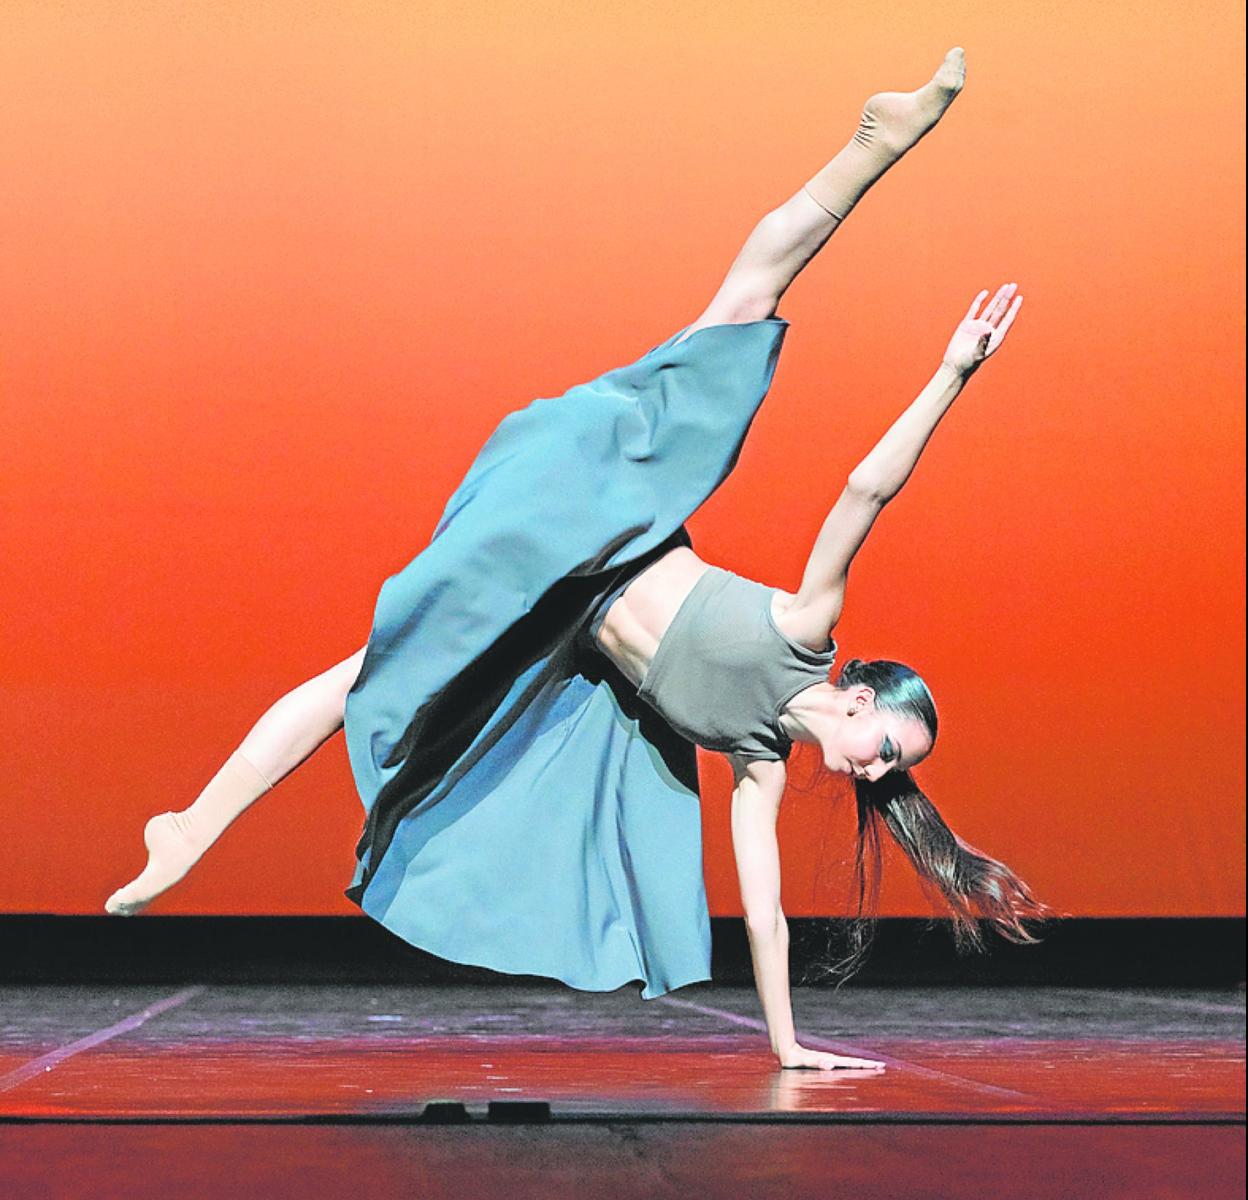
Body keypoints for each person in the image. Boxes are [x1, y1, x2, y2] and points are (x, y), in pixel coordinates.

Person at [105, 47, 1052, 1069]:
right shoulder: (803, 633)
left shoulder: (759, 764)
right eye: (888, 748)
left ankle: (186, 832)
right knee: (744, 306)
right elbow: (866, 490)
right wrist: (952, 374)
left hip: (557, 612)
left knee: (370, 680)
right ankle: (878, 140)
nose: (874, 771)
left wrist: (787, 1048)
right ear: (862, 698)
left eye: (889, 769)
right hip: (602, 495)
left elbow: (764, 914)